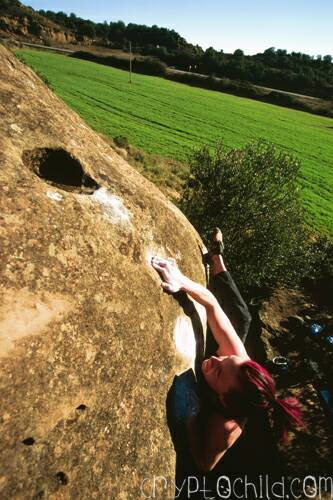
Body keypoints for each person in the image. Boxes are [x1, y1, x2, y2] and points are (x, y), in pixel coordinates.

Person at [151, 229, 304, 479]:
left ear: (222, 399)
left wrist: (191, 421)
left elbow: (204, 463)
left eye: (221, 368)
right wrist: (181, 280)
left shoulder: (226, 428)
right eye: (226, 358)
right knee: (242, 318)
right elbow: (211, 302)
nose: (217, 358)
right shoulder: (236, 358)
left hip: (211, 412)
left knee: (241, 320)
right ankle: (217, 257)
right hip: (230, 371)